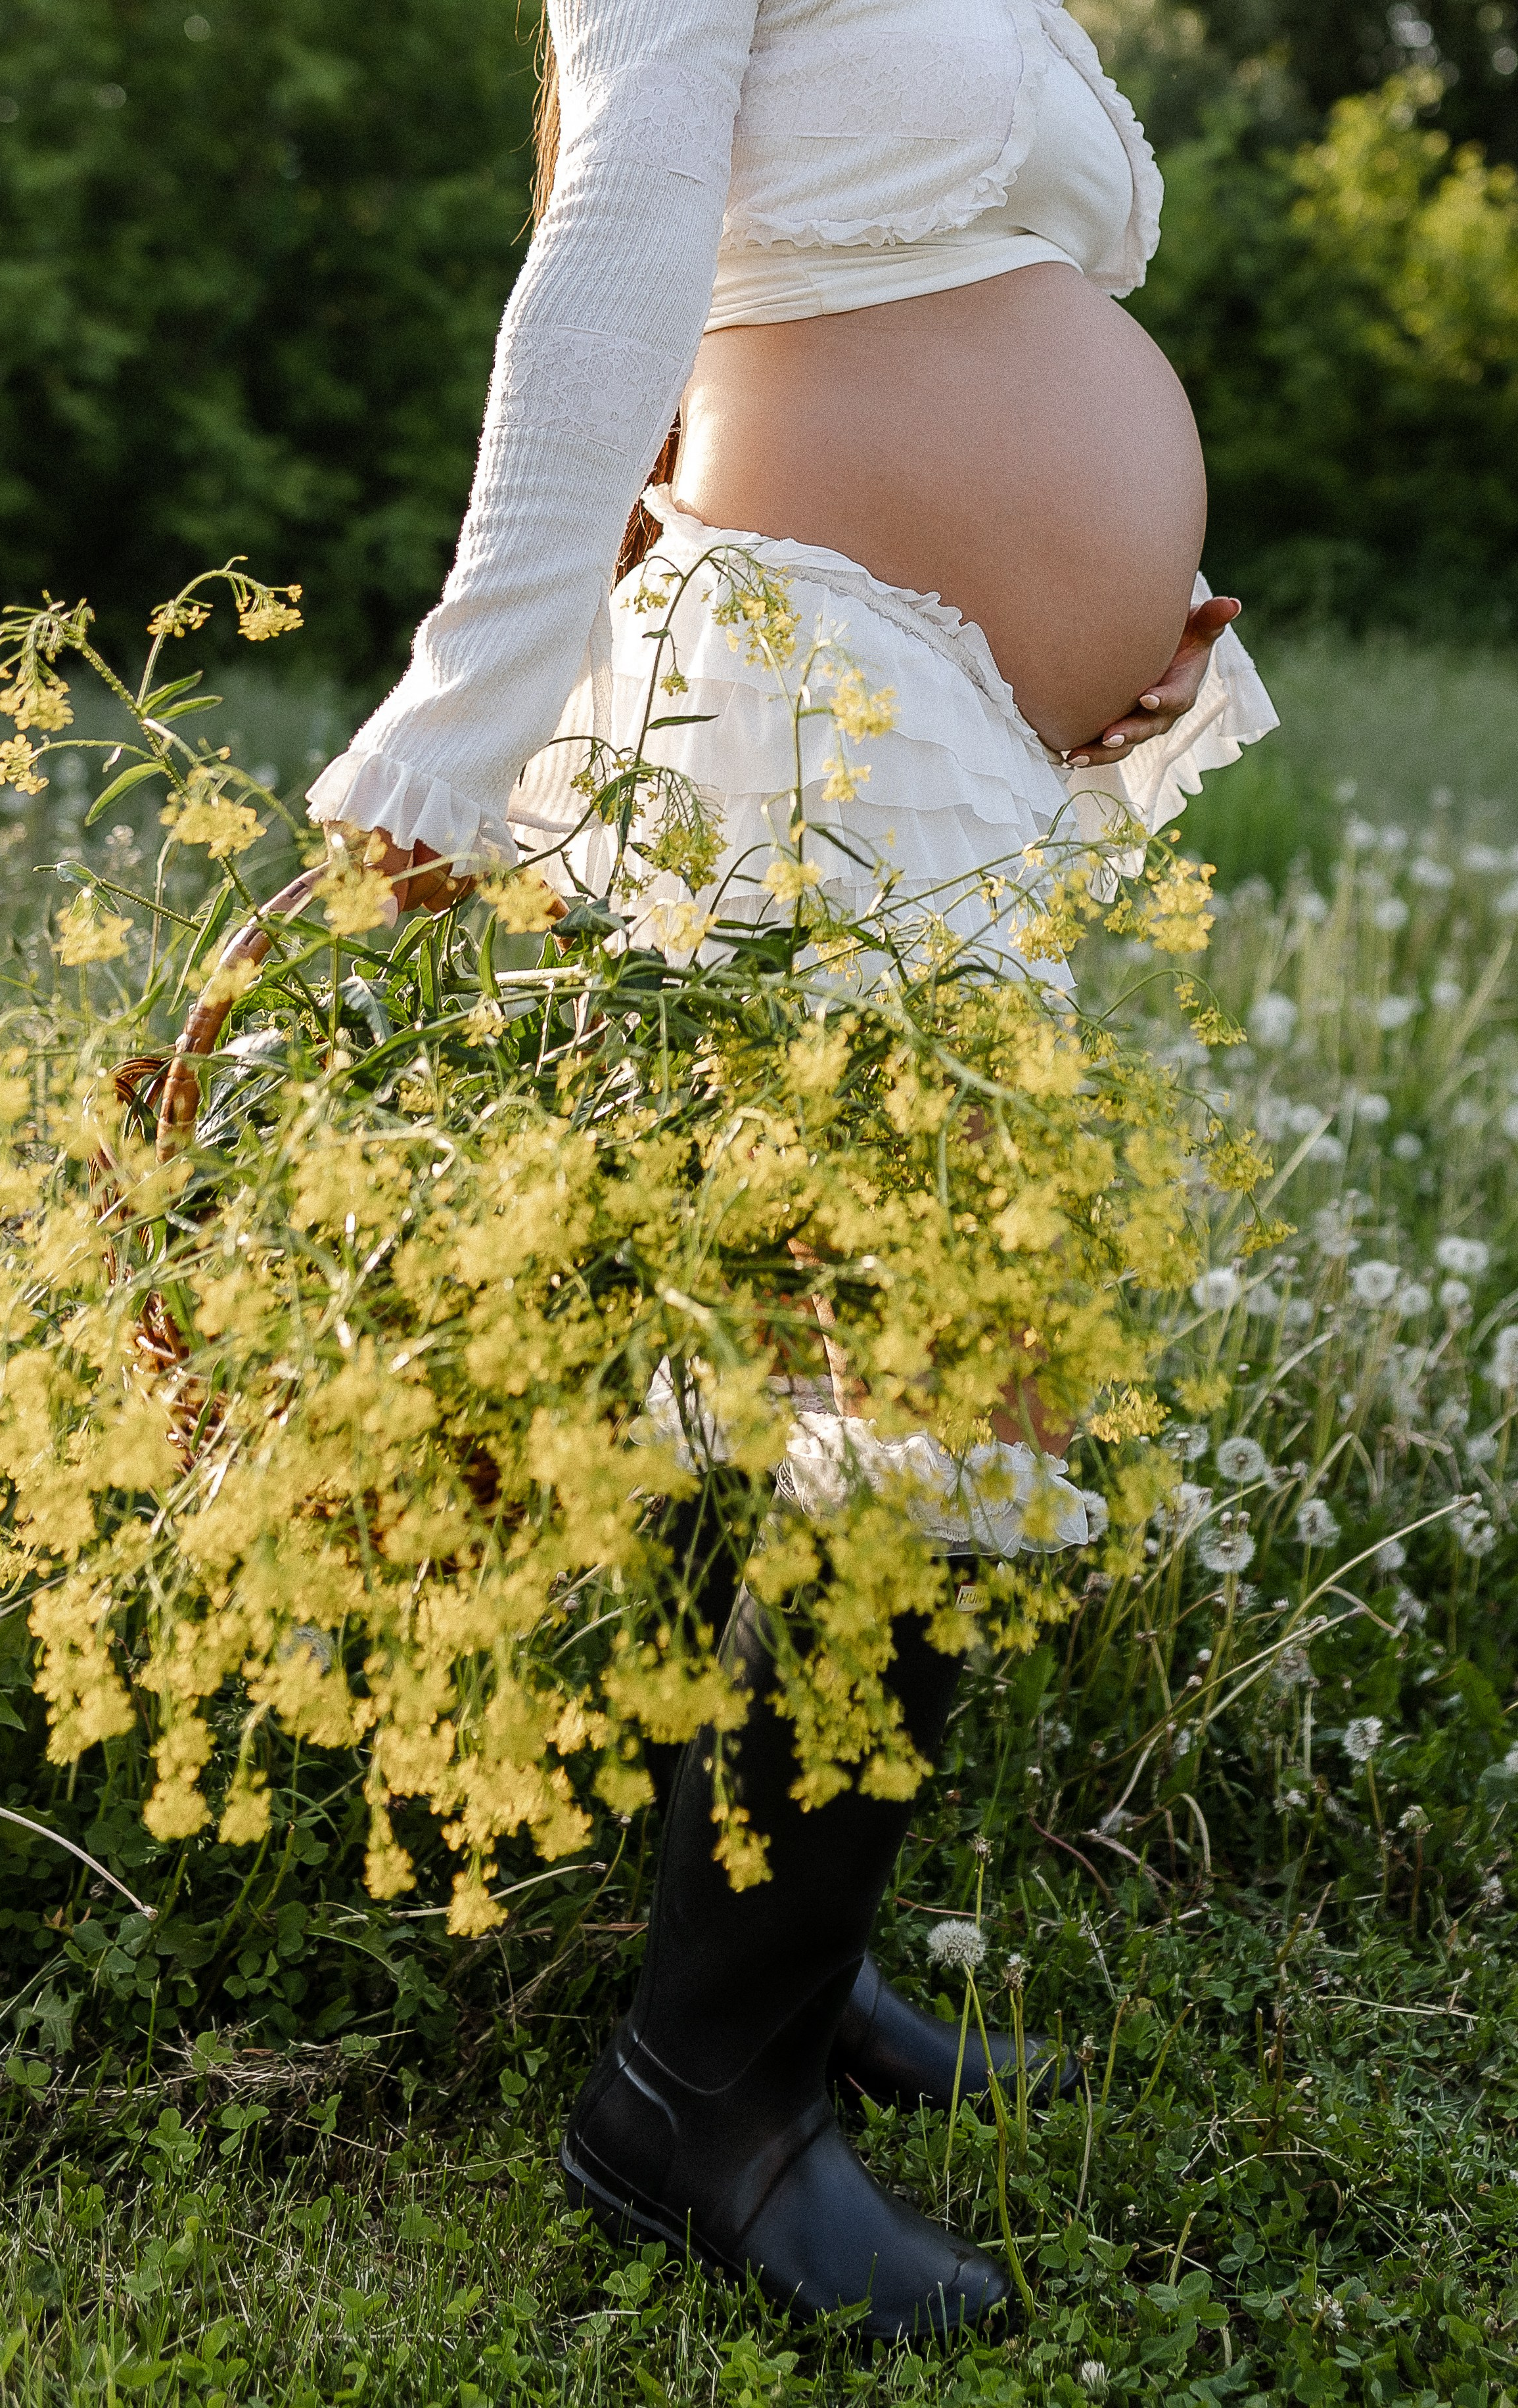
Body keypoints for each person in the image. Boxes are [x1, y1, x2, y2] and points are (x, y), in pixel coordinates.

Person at [306, 0, 1277, 2340]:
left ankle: (783, 1982)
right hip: (793, 679)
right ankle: (694, 2097)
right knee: (941, 1371)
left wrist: (1100, 614)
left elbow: (925, 300)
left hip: (912, 704)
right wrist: (461, 724)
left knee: (797, 1376)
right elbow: (620, 240)